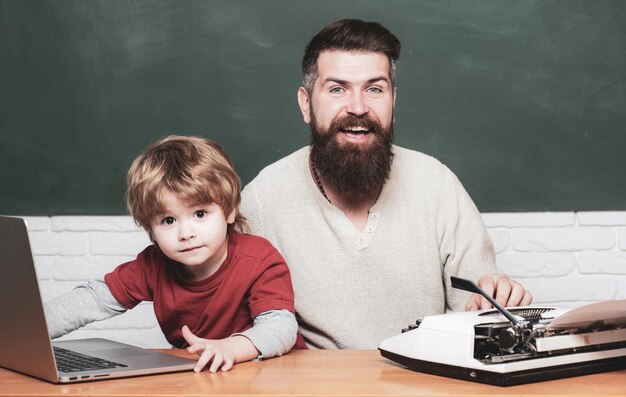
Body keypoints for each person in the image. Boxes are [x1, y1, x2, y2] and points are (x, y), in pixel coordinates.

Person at [240, 19, 532, 349]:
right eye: (337, 89)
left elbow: (476, 309)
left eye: (374, 89)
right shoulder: (262, 199)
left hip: (423, 378)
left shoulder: (436, 184)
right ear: (306, 104)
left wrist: (495, 298)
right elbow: (236, 325)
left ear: (393, 99)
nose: (358, 107)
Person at [45, 135, 304, 372]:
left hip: (272, 372)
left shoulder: (258, 258)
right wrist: (25, 332)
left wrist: (232, 347)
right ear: (151, 228)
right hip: (207, 375)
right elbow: (94, 299)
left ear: (229, 211)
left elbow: (280, 327)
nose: (185, 233)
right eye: (168, 220)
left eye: (200, 214)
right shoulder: (154, 264)